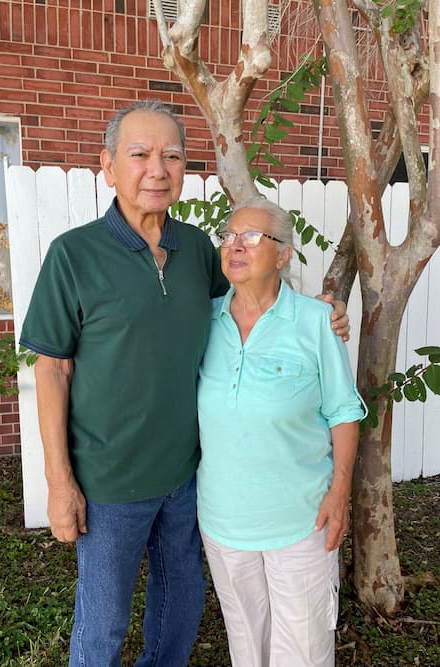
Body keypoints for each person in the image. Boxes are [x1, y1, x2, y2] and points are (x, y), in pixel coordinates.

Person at [19, 99, 350, 667]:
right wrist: (59, 481)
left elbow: (254, 307)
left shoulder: (199, 248)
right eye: (140, 154)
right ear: (108, 166)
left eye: (171, 155)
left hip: (188, 482)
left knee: (178, 614)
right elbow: (52, 368)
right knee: (102, 628)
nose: (157, 168)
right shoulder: (73, 254)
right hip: (108, 484)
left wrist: (320, 314)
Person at [196, 197, 366, 667]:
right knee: (247, 645)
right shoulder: (203, 319)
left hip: (301, 521)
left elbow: (343, 411)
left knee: (305, 650)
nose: (235, 245)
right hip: (224, 522)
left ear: (284, 253)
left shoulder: (316, 322)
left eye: (251, 237)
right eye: (228, 236)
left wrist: (340, 493)